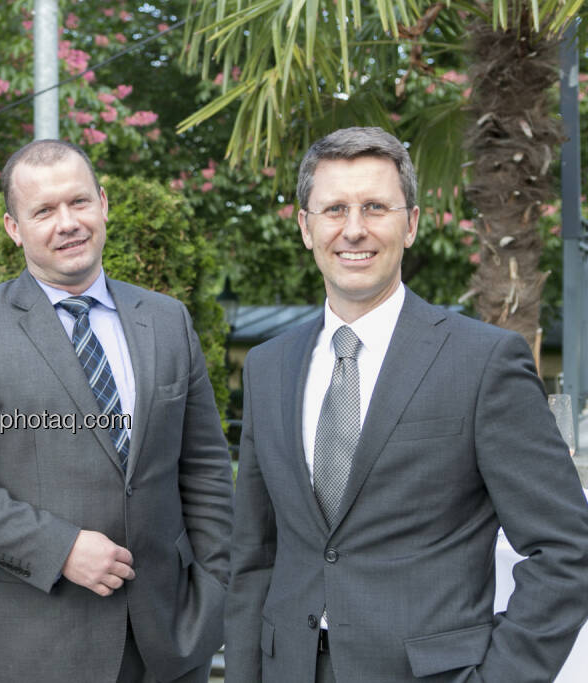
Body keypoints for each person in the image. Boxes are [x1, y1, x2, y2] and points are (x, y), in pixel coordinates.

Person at [224, 126, 588, 682]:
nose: (353, 230)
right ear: (305, 226)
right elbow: (255, 554)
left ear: (411, 223)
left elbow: (566, 551)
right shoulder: (269, 366)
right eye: (333, 209)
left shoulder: (483, 363)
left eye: (375, 207)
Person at [0, 139, 233, 682]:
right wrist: (58, 549)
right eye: (43, 211)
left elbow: (204, 469)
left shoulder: (167, 320)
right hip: (34, 646)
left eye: (78, 202)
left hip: (170, 645)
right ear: (15, 228)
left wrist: (215, 596)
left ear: (103, 203)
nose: (67, 223)